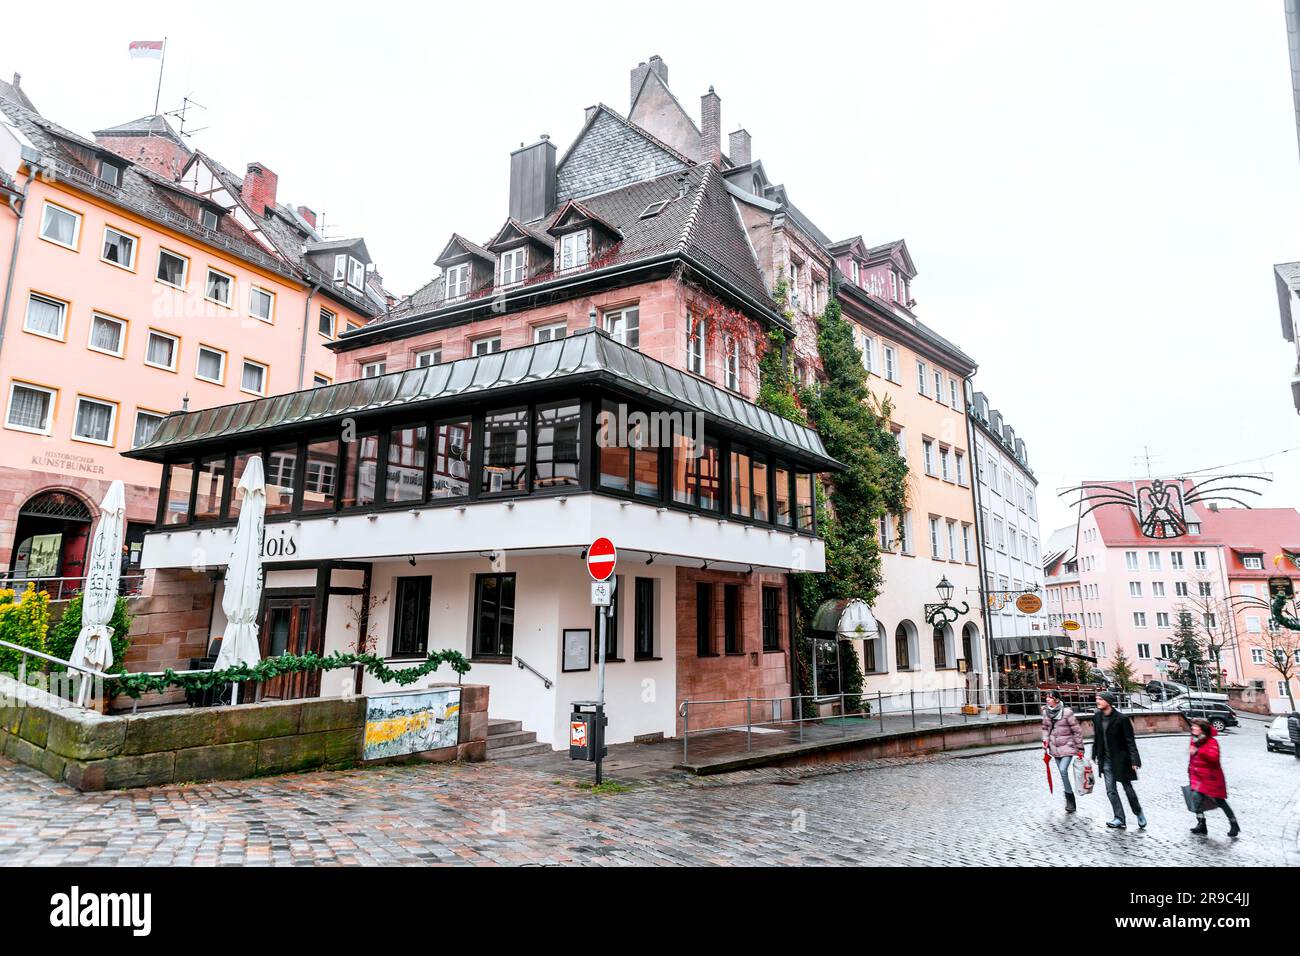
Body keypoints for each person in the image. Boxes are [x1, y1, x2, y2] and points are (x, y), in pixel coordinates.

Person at [1091, 691, 1146, 829]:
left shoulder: (1122, 719)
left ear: (1108, 701)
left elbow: (1130, 741)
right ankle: (1119, 818)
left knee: (1128, 789)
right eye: (1097, 699)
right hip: (1106, 760)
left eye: (1100, 699)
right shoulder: (1097, 717)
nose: (1097, 701)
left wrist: (1135, 760)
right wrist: (1095, 753)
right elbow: (1097, 737)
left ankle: (1138, 812)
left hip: (1121, 760)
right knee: (1110, 790)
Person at [1187, 717, 1239, 837]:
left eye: (1195, 726)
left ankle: (1234, 824)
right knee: (1195, 799)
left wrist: (1198, 751)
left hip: (1211, 778)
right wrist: (1189, 770)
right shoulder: (1194, 739)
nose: (1192, 728)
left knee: (1220, 802)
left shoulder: (1212, 742)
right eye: (1193, 726)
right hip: (1198, 776)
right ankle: (1201, 824)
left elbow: (1214, 759)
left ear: (1202, 729)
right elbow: (1192, 758)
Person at [1041, 690, 1085, 812]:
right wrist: (1045, 740)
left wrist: (1080, 748)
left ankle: (1070, 799)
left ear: (1056, 699)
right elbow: (1045, 728)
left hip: (1068, 746)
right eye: (1047, 698)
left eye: (1050, 698)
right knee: (1062, 773)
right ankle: (1069, 799)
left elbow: (1077, 731)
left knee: (1063, 770)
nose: (1047, 699)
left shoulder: (1067, 712)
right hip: (1054, 747)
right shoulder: (1046, 712)